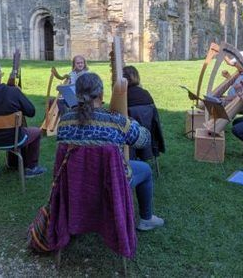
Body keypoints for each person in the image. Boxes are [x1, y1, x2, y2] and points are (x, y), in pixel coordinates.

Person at [57, 72, 164, 231]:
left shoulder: (64, 121)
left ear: (77, 94)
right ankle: (146, 219)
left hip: (74, 183)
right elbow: (144, 140)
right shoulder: (116, 121)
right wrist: (131, 122)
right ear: (101, 93)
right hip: (111, 183)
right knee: (146, 170)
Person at [0, 60, 46, 179]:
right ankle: (32, 168)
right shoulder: (13, 92)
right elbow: (31, 112)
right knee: (37, 132)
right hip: (15, 140)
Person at [123, 65, 165, 161]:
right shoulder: (146, 94)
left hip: (130, 140)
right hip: (148, 134)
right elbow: (155, 119)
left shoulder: (124, 96)